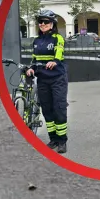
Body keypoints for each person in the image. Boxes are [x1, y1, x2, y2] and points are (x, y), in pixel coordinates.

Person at [27, 9, 68, 154]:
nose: (42, 24)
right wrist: (31, 68)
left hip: (57, 79)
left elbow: (59, 52)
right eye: (40, 22)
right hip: (42, 79)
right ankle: (53, 139)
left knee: (59, 109)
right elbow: (34, 59)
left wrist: (55, 61)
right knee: (47, 110)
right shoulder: (37, 41)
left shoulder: (58, 38)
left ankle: (62, 141)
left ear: (52, 24)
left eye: (46, 22)